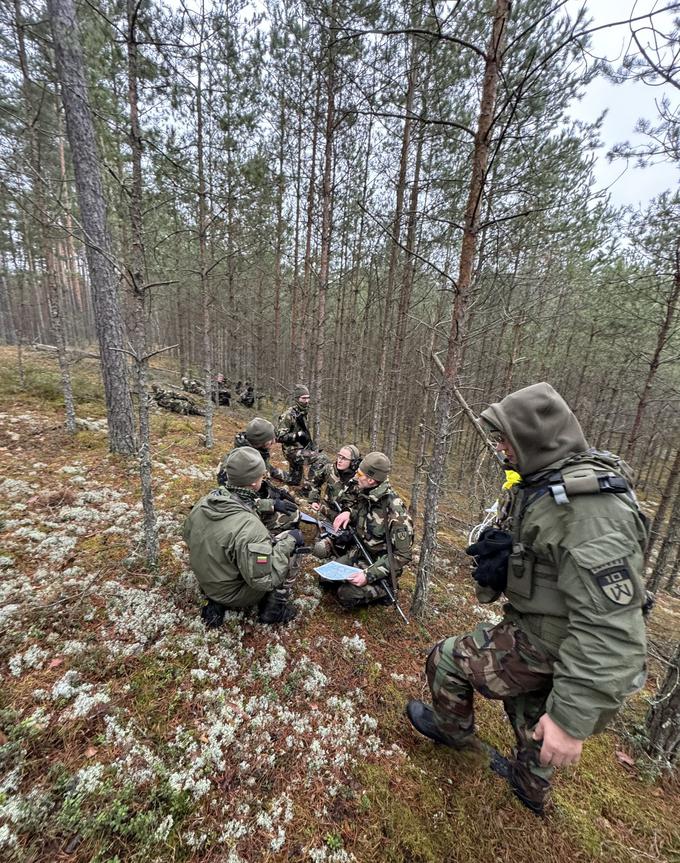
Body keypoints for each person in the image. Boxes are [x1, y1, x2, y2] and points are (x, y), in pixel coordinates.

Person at [405, 382, 648, 816]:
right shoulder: (550, 481)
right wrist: (510, 557)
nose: (500, 449)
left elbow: (613, 626)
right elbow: (555, 560)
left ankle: (453, 735)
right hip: (549, 632)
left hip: (555, 641)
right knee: (531, 713)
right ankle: (530, 790)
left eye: (505, 440)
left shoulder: (589, 511)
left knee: (445, 660)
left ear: (531, 439)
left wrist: (572, 722)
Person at [183, 447, 303, 626]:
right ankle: (273, 609)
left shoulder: (205, 502)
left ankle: (216, 602)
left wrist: (269, 505)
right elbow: (264, 581)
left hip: (209, 583)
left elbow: (188, 536)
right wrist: (290, 541)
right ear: (255, 483)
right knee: (292, 544)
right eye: (262, 476)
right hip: (234, 594)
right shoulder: (250, 528)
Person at [315, 451, 413, 609]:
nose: (355, 475)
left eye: (359, 473)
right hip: (359, 555)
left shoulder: (395, 512)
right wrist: (349, 513)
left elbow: (403, 555)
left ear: (371, 479)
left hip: (380, 568)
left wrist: (368, 575)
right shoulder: (365, 493)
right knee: (324, 578)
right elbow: (363, 516)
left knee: (345, 595)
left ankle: (383, 593)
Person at [216, 418, 299, 535]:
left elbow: (268, 470)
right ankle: (268, 540)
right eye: (271, 439)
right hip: (240, 513)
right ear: (261, 441)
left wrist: (279, 489)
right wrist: (271, 504)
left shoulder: (256, 452)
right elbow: (235, 501)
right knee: (292, 516)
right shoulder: (233, 464)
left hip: (253, 499)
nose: (274, 441)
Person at [276, 384, 315, 486]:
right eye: (303, 398)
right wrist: (297, 435)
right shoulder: (288, 415)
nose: (306, 401)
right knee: (321, 458)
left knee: (294, 481)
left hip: (300, 448)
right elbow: (279, 437)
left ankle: (273, 472)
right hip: (291, 451)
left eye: (308, 398)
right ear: (297, 398)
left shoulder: (304, 412)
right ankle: (310, 486)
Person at [308, 445, 361, 519]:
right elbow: (314, 483)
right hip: (324, 512)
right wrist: (313, 500)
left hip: (345, 521)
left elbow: (361, 508)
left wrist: (350, 515)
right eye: (339, 456)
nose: (339, 460)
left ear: (353, 462)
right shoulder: (329, 469)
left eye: (344, 458)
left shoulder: (360, 480)